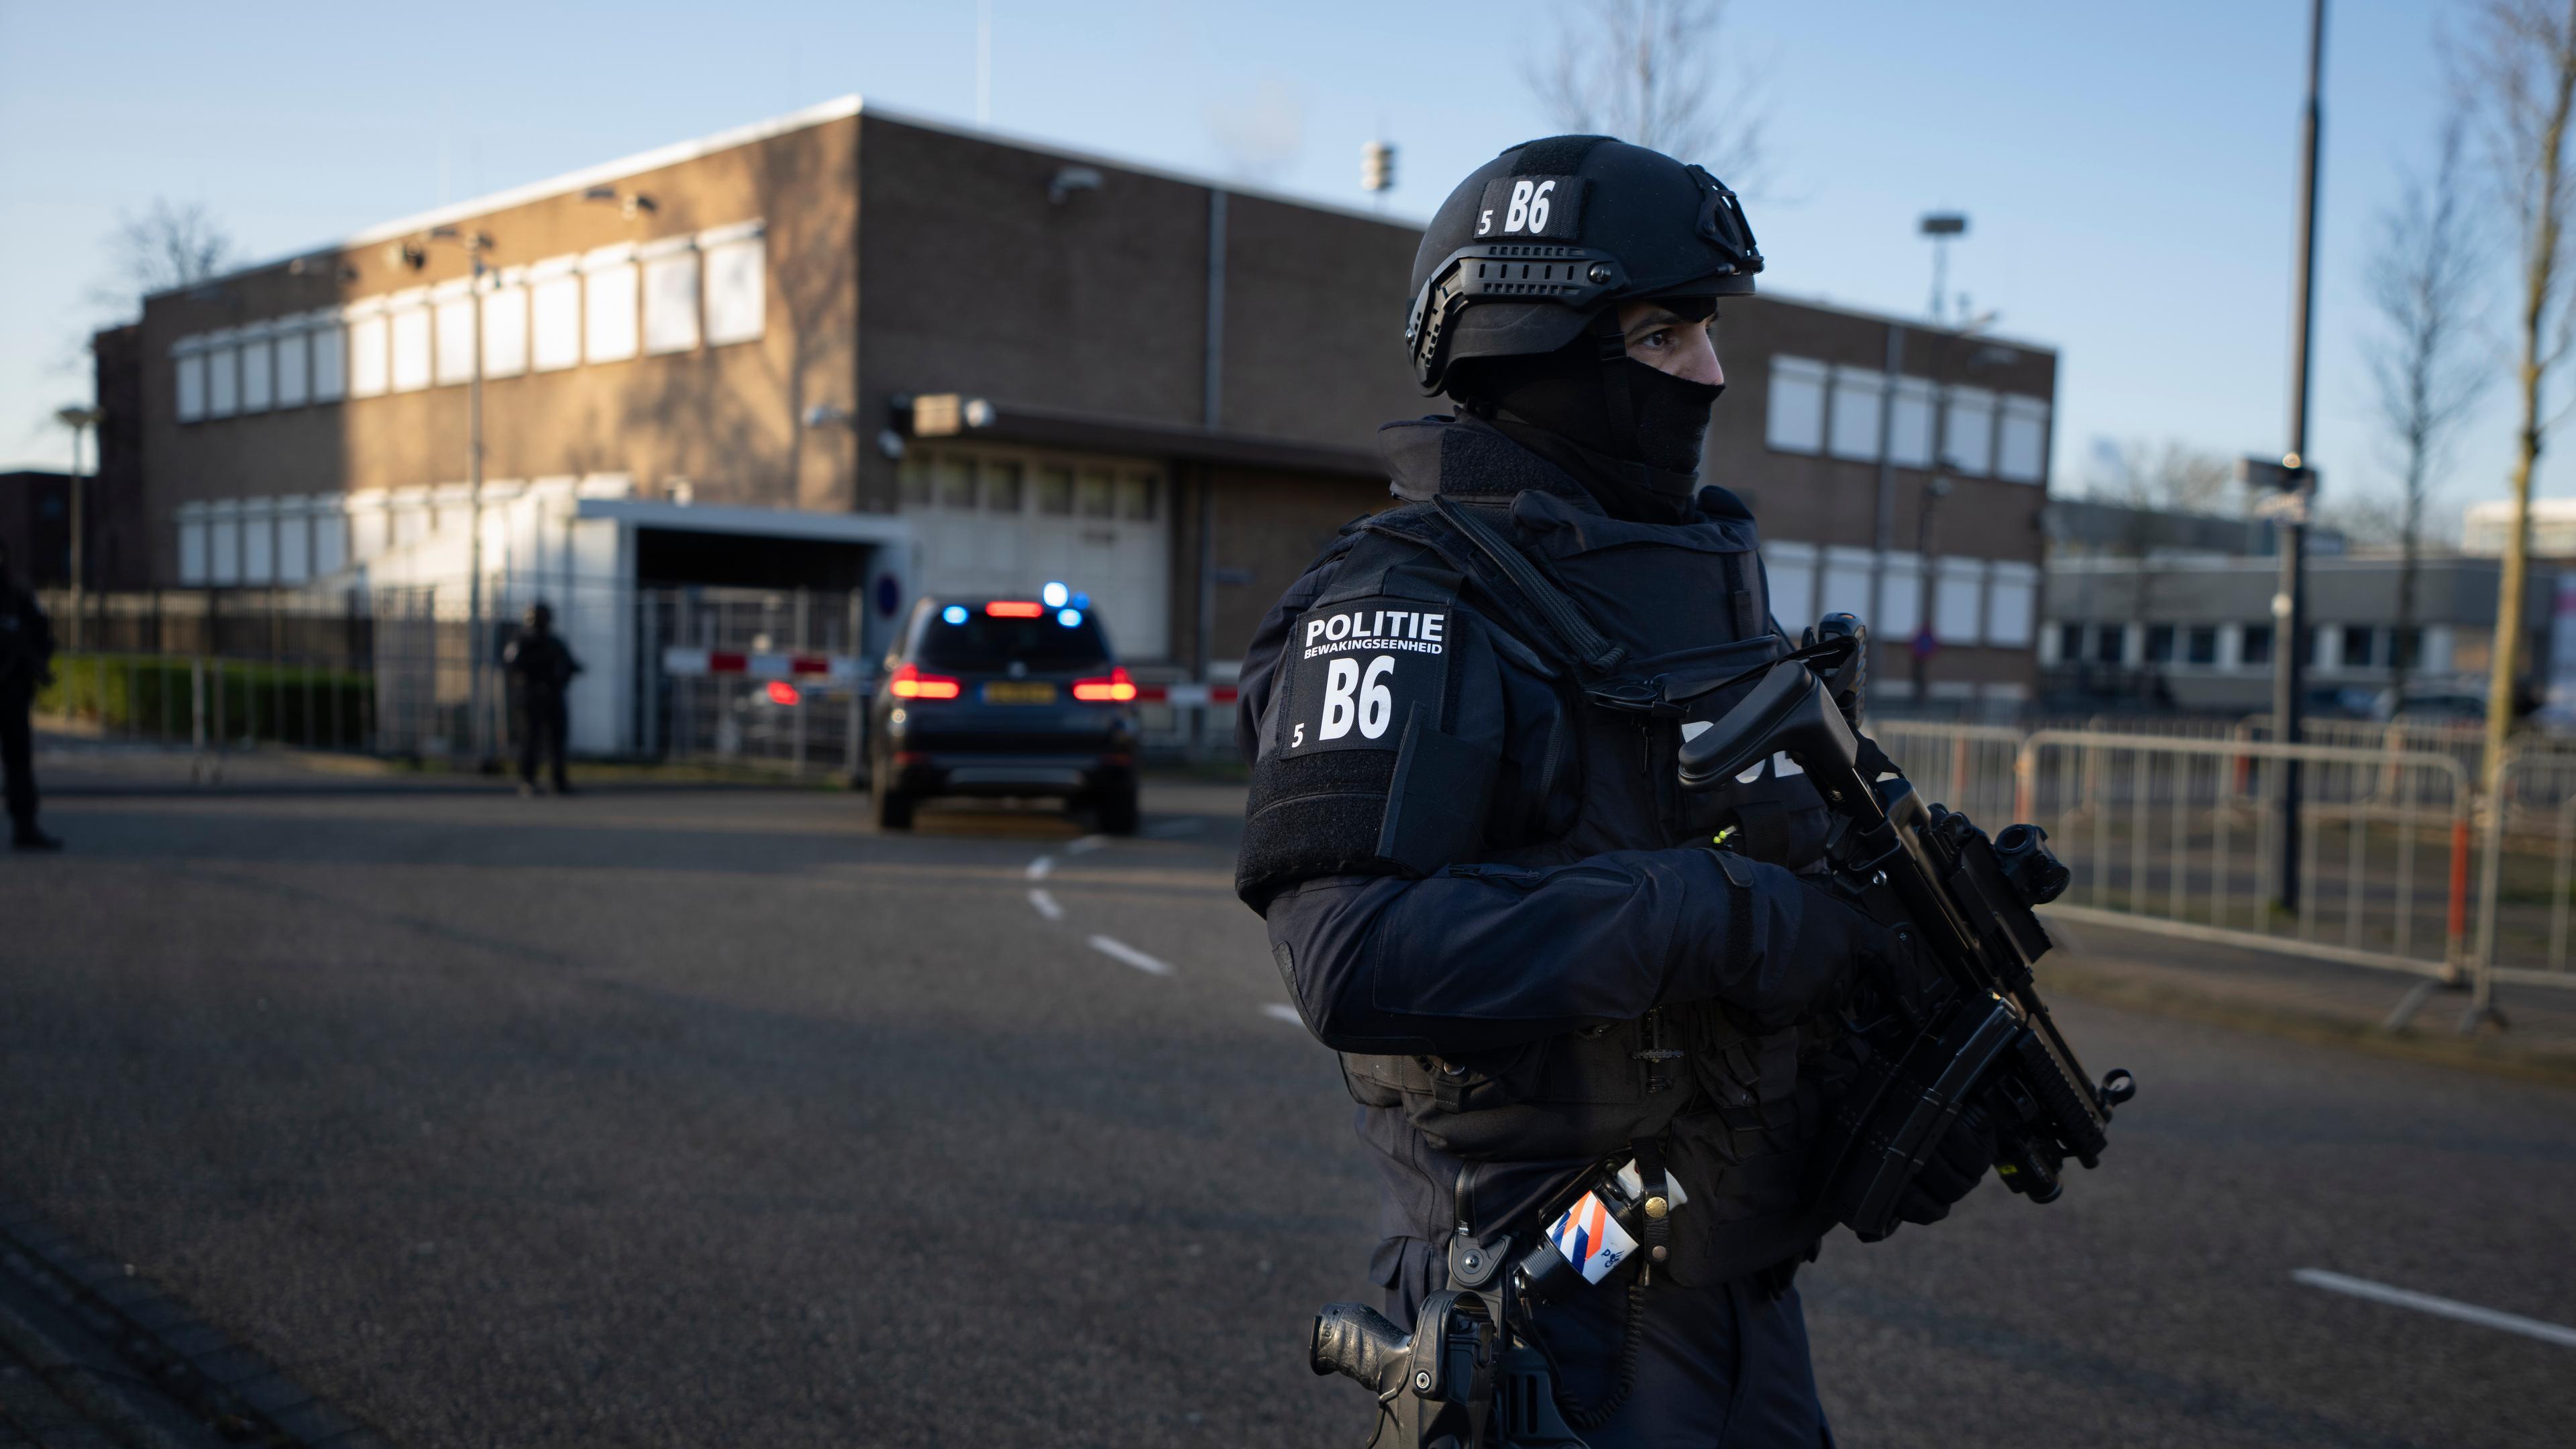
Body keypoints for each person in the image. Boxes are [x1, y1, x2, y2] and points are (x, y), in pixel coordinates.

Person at [1234, 137, 1993, 1446]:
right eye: (1662, 332)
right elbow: (1351, 957)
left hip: (1726, 1277)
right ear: (1538, 344)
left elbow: (1751, 862)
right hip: (1548, 1286)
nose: (1707, 369)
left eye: (1704, 328)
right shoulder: (1408, 601)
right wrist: (1717, 912)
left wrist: (1907, 927)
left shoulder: (1689, 581)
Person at [0, 540, 61, 851]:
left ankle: (25, 826)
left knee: (19, 764)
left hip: (13, 694)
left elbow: (44, 636)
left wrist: (33, 662)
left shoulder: (18, 598)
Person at [502, 601, 581, 796]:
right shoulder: (522, 641)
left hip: (553, 696)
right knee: (531, 740)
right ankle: (528, 780)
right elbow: (512, 663)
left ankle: (558, 780)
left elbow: (571, 664)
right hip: (530, 696)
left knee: (557, 740)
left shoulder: (555, 642)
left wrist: (563, 675)